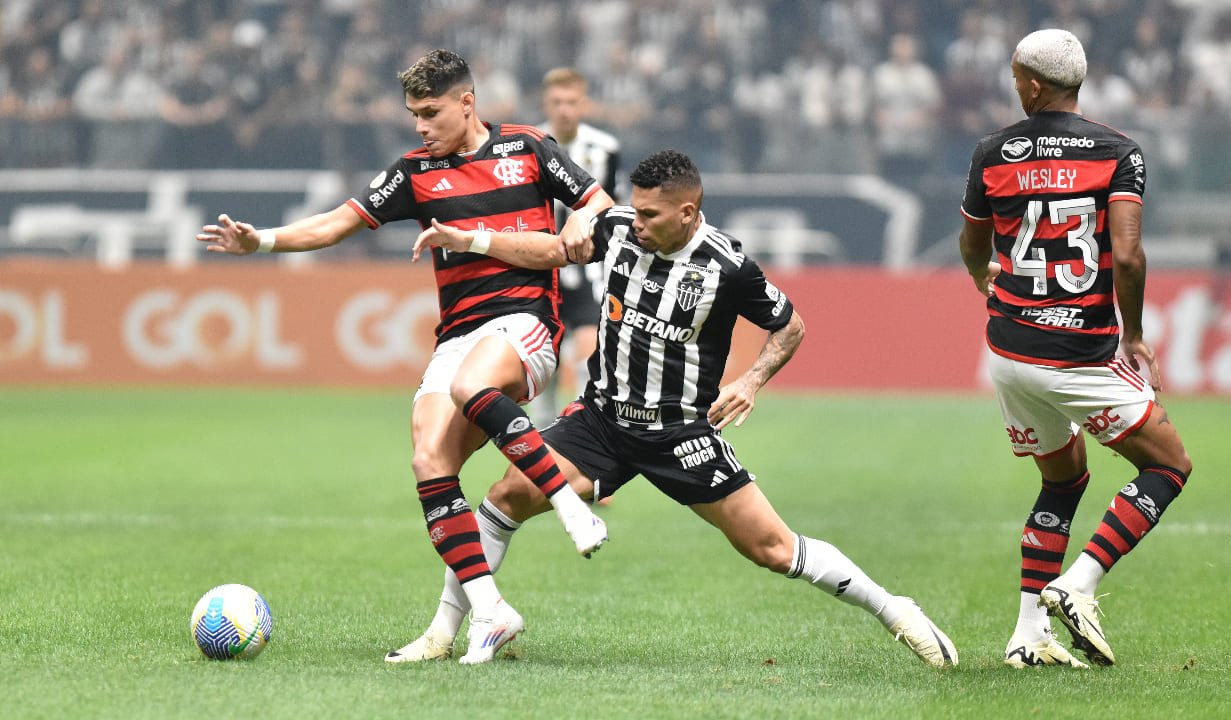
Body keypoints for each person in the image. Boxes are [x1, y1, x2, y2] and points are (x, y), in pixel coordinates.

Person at [405, 149, 959, 668]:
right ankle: (448, 630)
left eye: (649, 213)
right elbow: (551, 251)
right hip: (600, 421)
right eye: (634, 208)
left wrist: (752, 379)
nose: (636, 221)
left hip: (680, 434)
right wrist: (472, 240)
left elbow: (790, 325)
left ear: (687, 211)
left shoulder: (728, 266)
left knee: (771, 548)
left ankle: (896, 611)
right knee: (505, 497)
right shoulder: (618, 228)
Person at [196, 49, 615, 665]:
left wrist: (586, 221)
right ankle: (484, 612)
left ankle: (568, 503)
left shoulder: (528, 147)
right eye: (413, 114)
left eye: (431, 112)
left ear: (467, 102)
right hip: (457, 334)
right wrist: (261, 241)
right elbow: (339, 223)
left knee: (474, 385)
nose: (420, 126)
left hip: (525, 322)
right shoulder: (415, 172)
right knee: (428, 459)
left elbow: (599, 205)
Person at [957, 29, 1193, 669]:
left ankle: (1028, 635)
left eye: (1015, 77)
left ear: (1032, 84)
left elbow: (974, 246)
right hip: (1079, 355)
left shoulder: (990, 152)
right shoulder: (1118, 151)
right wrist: (1137, 337)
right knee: (1169, 467)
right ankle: (1079, 583)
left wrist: (985, 280)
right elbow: (1131, 255)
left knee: (1064, 481)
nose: (1014, 86)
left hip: (1007, 352)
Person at [533, 67, 622, 426]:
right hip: (541, 267)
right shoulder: (530, 142)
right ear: (546, 103)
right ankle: (540, 444)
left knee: (588, 352)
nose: (564, 109)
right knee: (545, 361)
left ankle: (580, 432)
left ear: (582, 103)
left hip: (589, 270)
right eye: (557, 102)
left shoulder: (605, 148)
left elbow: (613, 205)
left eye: (571, 102)